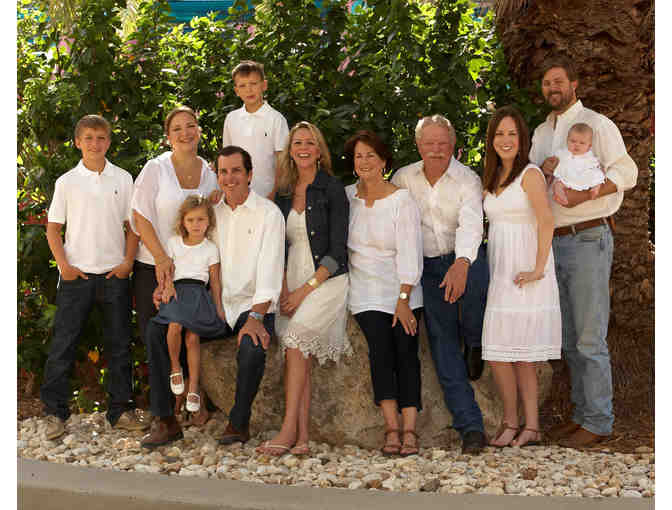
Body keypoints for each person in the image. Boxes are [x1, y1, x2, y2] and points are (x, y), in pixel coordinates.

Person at [140, 146, 285, 448]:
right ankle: (166, 421)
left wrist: (257, 317)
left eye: (236, 171)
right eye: (223, 172)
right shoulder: (211, 214)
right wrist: (166, 284)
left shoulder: (268, 214)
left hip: (250, 305)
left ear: (250, 175)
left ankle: (238, 422)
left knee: (252, 346)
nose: (229, 178)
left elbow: (270, 272)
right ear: (217, 176)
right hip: (212, 306)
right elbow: (190, 256)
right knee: (156, 330)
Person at [529, 56, 638, 448]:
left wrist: (587, 194)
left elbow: (627, 172)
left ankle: (599, 421)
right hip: (553, 241)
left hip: (588, 237)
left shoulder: (597, 124)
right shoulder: (542, 132)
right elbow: (533, 180)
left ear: (574, 84)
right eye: (547, 82)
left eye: (558, 80)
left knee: (590, 337)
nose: (552, 88)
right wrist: (543, 169)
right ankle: (581, 416)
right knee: (570, 337)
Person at [41, 114, 147, 440]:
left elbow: (134, 226)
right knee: (63, 344)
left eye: (101, 138)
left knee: (119, 345)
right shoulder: (67, 182)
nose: (95, 143)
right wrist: (64, 267)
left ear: (109, 142)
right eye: (88, 137)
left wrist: (127, 262)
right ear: (77, 142)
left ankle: (120, 411)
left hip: (114, 275)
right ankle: (54, 414)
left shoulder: (123, 179)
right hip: (77, 277)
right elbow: (53, 229)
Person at [391, 114, 489, 455]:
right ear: (419, 146)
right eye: (429, 143)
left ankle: (475, 341)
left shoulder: (467, 179)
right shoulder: (403, 178)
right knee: (443, 344)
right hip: (428, 268)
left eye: (443, 143)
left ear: (453, 145)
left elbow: (472, 225)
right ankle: (471, 427)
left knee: (477, 283)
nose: (436, 149)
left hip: (465, 257)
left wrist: (461, 263)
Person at [256, 122, 350, 456]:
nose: (304, 148)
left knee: (295, 343)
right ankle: (303, 438)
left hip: (325, 280)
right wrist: (283, 288)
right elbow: (276, 244)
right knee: (299, 356)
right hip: (290, 278)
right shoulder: (283, 193)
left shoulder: (332, 188)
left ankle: (287, 430)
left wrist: (302, 292)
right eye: (297, 143)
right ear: (290, 150)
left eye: (310, 142)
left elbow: (337, 252)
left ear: (319, 149)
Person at [131, 106, 219, 423]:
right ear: (168, 137)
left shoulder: (209, 173)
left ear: (199, 131)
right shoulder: (156, 169)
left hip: (192, 274)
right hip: (152, 266)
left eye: (190, 126)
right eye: (177, 128)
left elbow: (213, 218)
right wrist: (161, 257)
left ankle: (193, 406)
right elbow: (139, 215)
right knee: (157, 338)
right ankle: (164, 416)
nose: (185, 133)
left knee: (192, 335)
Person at [481, 106, 561, 448]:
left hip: (527, 272)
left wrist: (538, 269)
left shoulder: (530, 174)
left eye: (512, 133)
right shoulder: (490, 177)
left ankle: (531, 427)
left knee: (524, 355)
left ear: (522, 138)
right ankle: (511, 422)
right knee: (499, 352)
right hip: (500, 271)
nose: (506, 140)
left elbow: (547, 221)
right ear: (491, 139)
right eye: (500, 133)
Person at [344, 130, 424, 457]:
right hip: (365, 292)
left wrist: (403, 299)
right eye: (359, 156)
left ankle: (410, 430)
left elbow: (410, 252)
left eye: (371, 156)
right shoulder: (347, 197)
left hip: (403, 288)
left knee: (406, 354)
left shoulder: (401, 200)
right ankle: (392, 428)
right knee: (380, 352)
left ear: (384, 161)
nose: (364, 162)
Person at [152, 195, 224, 414]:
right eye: (190, 220)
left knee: (193, 339)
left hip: (198, 294)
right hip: (177, 291)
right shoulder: (174, 242)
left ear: (209, 221)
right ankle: (175, 366)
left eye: (201, 219)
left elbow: (215, 282)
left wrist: (219, 307)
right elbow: (166, 269)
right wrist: (167, 286)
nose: (196, 225)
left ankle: (193, 386)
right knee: (174, 326)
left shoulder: (211, 248)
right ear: (183, 222)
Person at [222, 60, 289, 199]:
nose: (249, 90)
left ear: (264, 85)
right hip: (237, 195)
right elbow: (226, 159)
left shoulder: (276, 119)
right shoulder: (231, 119)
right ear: (236, 91)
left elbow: (282, 162)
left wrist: (274, 193)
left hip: (267, 195)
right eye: (242, 85)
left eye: (253, 84)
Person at [550, 123, 605, 203]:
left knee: (597, 175)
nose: (577, 145)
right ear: (567, 140)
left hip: (582, 174)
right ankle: (559, 194)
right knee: (558, 183)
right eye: (573, 141)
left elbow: (596, 165)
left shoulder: (588, 156)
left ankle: (595, 189)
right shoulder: (564, 152)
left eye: (582, 143)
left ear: (589, 146)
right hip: (567, 174)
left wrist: (599, 168)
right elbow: (555, 160)